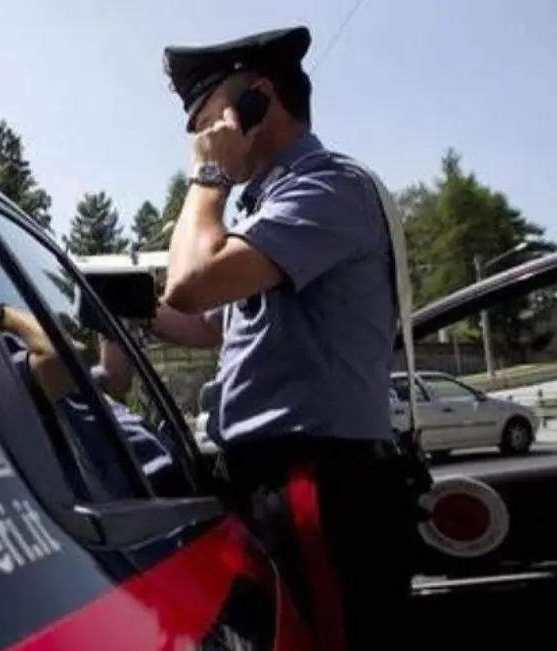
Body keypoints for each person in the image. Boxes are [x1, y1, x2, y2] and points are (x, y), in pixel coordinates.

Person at [160, 26, 418, 651]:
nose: (199, 138)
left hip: (315, 485)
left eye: (206, 116)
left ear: (258, 98)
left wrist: (209, 178)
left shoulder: (328, 188)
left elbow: (192, 282)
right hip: (278, 482)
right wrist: (111, 313)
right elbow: (204, 321)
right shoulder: (263, 208)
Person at [0, 286, 189, 498]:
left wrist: (115, 330)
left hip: (167, 477)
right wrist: (0, 311)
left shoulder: (76, 384)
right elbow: (67, 357)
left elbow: (107, 376)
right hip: (148, 496)